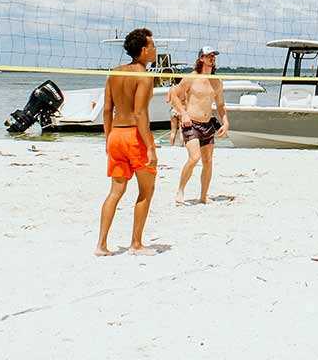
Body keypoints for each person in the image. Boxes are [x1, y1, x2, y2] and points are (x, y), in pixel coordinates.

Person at [95, 28, 159, 256]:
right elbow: (140, 113)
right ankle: (136, 244)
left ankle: (101, 245)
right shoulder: (144, 75)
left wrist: (107, 138)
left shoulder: (115, 73)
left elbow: (106, 110)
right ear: (143, 50)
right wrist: (150, 145)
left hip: (115, 135)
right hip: (134, 136)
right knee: (146, 191)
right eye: (152, 46)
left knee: (115, 192)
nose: (155, 49)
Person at [172, 46, 229, 204]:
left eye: (214, 55)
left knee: (208, 161)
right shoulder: (191, 77)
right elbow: (174, 96)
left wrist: (225, 122)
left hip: (207, 125)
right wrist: (183, 114)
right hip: (191, 124)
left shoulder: (216, 82)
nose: (212, 58)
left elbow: (221, 105)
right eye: (209, 55)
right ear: (201, 59)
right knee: (194, 157)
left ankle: (203, 196)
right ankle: (180, 190)